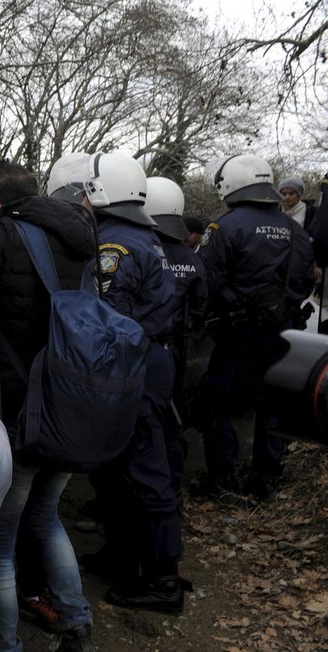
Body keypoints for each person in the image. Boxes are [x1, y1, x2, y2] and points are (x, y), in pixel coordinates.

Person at [0, 159, 96, 652]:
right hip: (72, 405)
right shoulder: (82, 236)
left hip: (20, 411)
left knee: (0, 544)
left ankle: (5, 645)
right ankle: (78, 626)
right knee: (47, 517)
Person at [81, 153, 184, 615]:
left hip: (134, 366)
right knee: (124, 465)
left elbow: (111, 320)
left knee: (144, 467)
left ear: (102, 191)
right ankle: (123, 555)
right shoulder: (147, 235)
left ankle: (163, 582)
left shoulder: (115, 244)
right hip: (155, 358)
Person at [197, 155, 315, 500]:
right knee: (273, 402)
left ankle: (222, 476)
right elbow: (305, 281)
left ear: (230, 184)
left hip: (237, 335)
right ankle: (266, 478)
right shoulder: (295, 229)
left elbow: (207, 281)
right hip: (284, 331)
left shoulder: (225, 226)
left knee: (216, 399)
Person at [144, 177, 208, 493]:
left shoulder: (142, 248)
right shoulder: (192, 257)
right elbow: (201, 304)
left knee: (146, 423)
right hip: (180, 350)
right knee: (173, 419)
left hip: (147, 348)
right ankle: (172, 487)